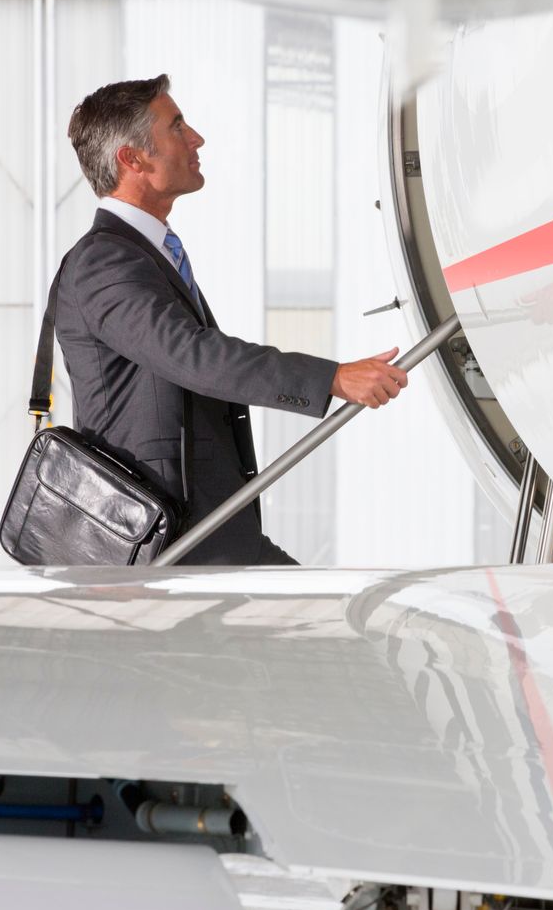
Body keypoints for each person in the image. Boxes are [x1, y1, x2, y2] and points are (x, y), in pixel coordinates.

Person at [57, 74, 407, 565]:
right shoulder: (104, 263)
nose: (195, 138)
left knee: (329, 622)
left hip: (204, 534)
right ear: (132, 160)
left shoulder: (143, 254)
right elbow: (192, 354)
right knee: (331, 626)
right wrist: (331, 378)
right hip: (165, 546)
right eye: (176, 127)